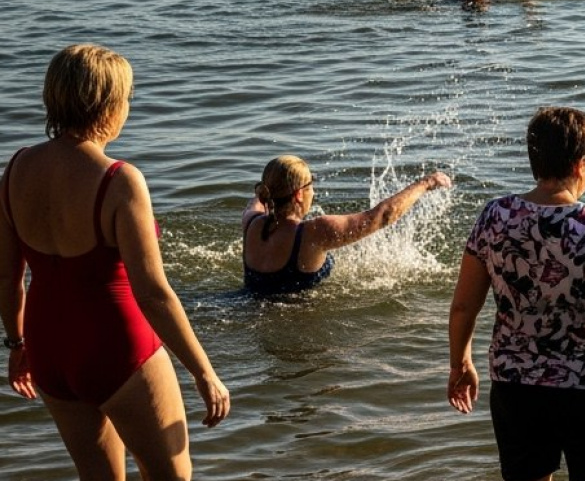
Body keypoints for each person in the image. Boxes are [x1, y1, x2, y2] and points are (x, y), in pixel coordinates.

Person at [0, 44, 230, 480]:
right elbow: (153, 293)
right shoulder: (120, 180)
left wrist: (16, 346)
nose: (127, 107)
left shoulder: (14, 171)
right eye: (126, 98)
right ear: (106, 105)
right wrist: (204, 372)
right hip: (116, 348)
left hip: (49, 350)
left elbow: (9, 276)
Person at [447, 107, 585, 481]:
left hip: (516, 385)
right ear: (581, 165)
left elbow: (463, 306)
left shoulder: (494, 216)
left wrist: (460, 364)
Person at [242, 155, 451, 297]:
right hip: (297, 323)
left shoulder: (251, 221)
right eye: (311, 184)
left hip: (249, 308)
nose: (313, 192)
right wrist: (425, 183)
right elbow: (383, 216)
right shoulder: (314, 233)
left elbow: (260, 198)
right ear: (298, 194)